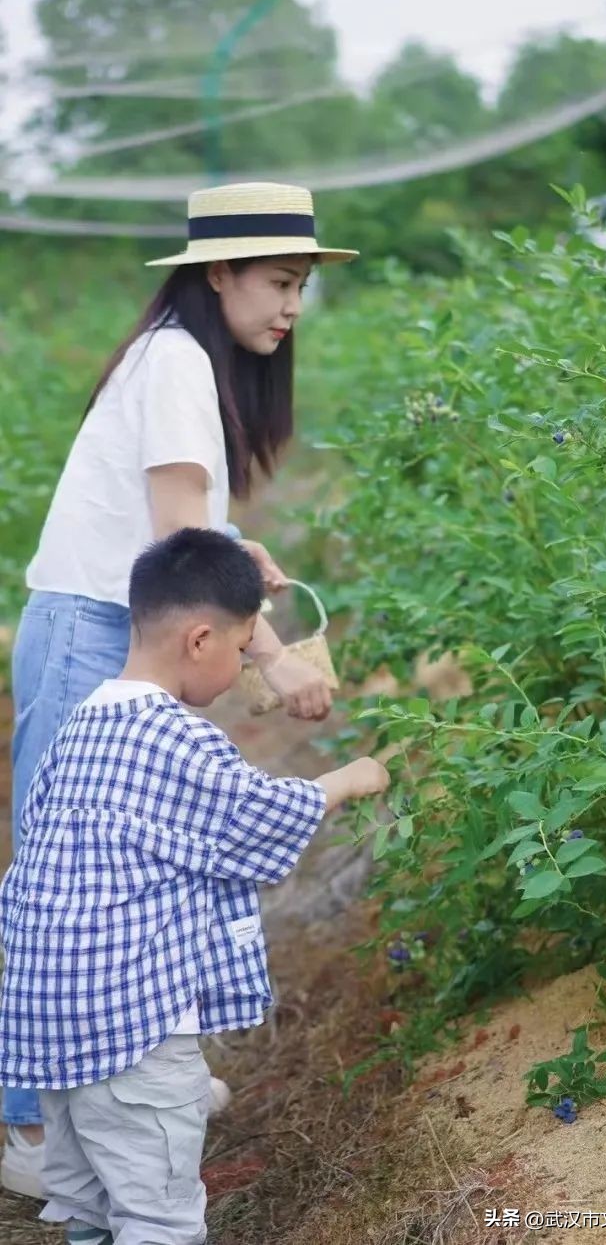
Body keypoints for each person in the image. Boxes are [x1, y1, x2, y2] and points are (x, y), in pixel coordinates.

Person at [2, 180, 359, 1196]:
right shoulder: (174, 361)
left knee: (134, 864)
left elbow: (193, 535)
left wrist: (247, 580)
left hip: (123, 626)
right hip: (92, 630)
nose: (293, 305)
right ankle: (32, 1129)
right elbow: (177, 544)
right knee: (69, 879)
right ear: (218, 274)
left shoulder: (186, 362)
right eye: (279, 282)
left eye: (301, 285)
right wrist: (273, 654)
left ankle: (123, 1079)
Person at [0, 528, 390, 1245]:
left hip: (48, 1022)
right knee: (158, 1217)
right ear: (200, 639)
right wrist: (351, 778)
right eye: (244, 650)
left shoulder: (83, 725)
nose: (244, 666)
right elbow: (258, 817)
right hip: (131, 1027)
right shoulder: (175, 737)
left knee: (87, 1207)